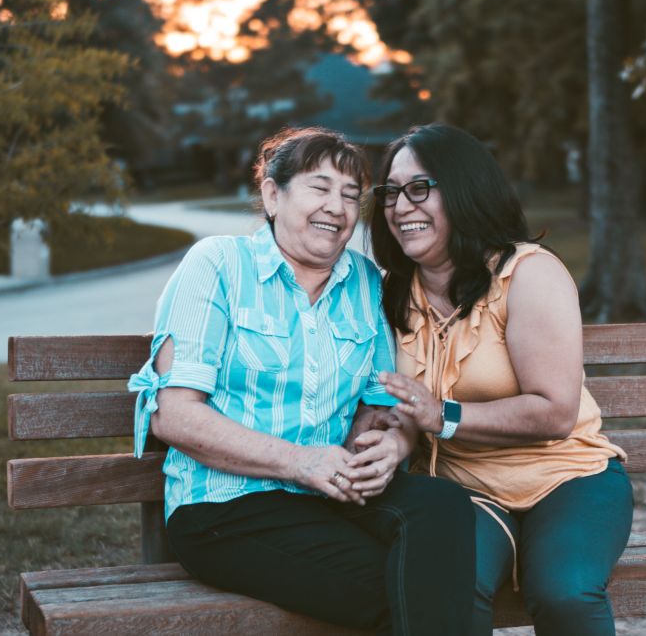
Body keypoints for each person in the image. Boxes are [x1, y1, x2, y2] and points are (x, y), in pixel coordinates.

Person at [128, 127, 475, 635]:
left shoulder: (366, 282)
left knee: (441, 506)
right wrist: (301, 461)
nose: (337, 206)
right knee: (398, 584)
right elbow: (174, 414)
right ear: (273, 195)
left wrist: (389, 448)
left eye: (351, 195)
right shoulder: (218, 265)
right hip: (226, 507)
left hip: (330, 493)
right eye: (320, 187)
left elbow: (381, 407)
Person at [366, 123, 634, 636]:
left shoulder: (528, 273)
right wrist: (391, 439)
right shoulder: (391, 294)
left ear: (465, 189)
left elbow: (555, 412)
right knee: (448, 590)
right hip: (463, 489)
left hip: (567, 479)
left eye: (420, 188)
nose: (401, 207)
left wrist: (441, 416)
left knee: (565, 594)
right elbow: (398, 406)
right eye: (391, 193)